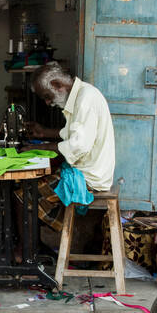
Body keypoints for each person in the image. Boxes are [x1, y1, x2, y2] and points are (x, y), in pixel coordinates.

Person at [24, 62, 116, 243]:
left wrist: (37, 149)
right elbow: (71, 134)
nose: (48, 102)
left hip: (90, 177)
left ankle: (24, 252)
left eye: (47, 96)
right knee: (32, 186)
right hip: (87, 170)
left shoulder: (85, 100)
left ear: (58, 85)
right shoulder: (81, 95)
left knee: (24, 194)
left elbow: (77, 146)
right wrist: (43, 132)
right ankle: (34, 248)